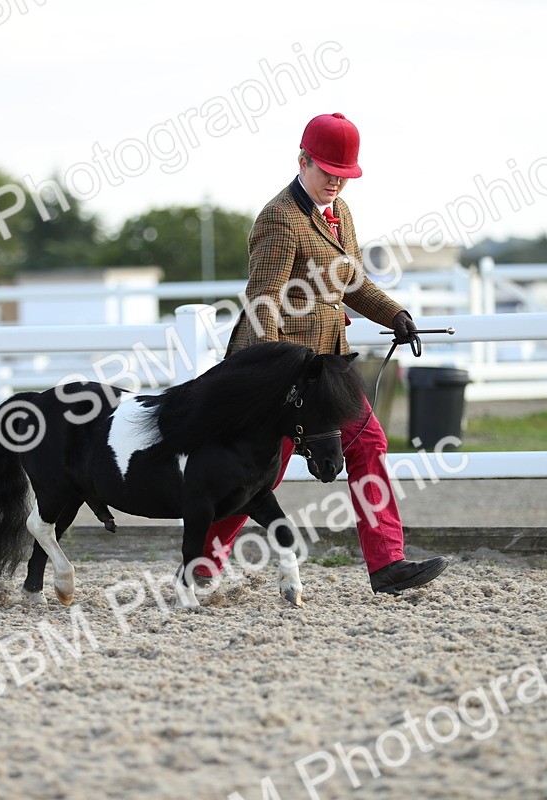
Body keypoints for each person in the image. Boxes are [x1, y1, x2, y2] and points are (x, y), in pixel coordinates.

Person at [199, 112, 448, 594]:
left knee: (370, 444)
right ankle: (203, 566)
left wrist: (394, 314)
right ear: (302, 161)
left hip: (328, 367)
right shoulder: (279, 218)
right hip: (284, 372)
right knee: (260, 476)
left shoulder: (341, 213)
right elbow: (263, 300)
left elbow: (349, 282)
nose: (336, 182)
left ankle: (386, 564)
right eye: (328, 172)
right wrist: (277, 373)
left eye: (344, 175)